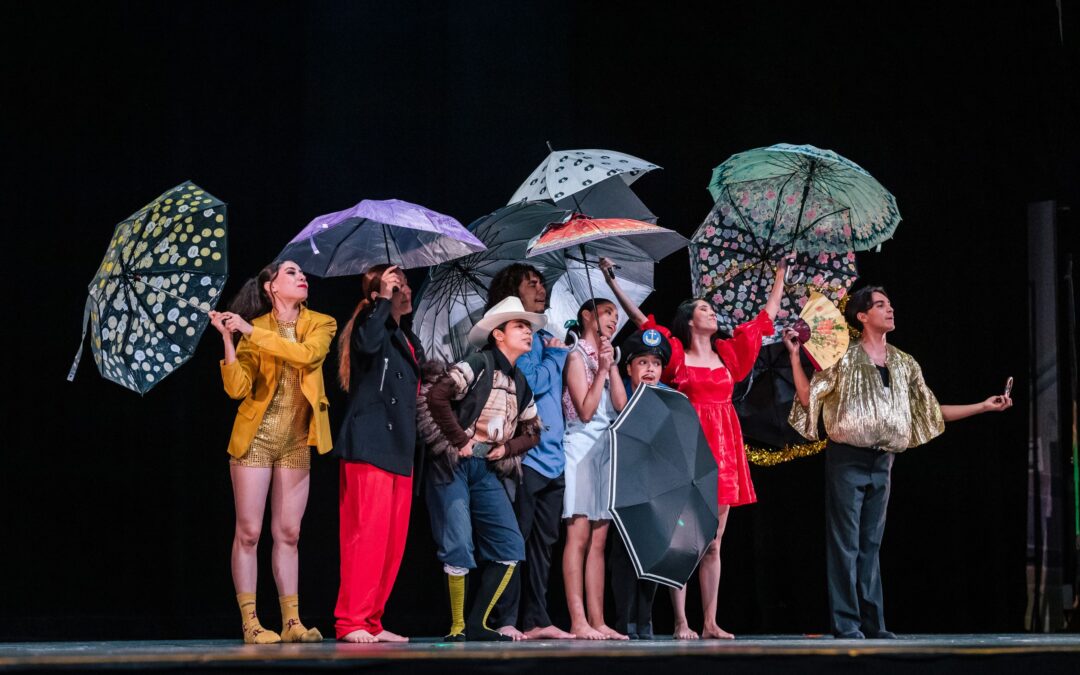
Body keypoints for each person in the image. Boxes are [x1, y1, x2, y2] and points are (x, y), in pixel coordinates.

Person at [785, 286, 1013, 639]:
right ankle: (847, 624)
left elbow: (931, 411)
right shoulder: (844, 357)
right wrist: (794, 357)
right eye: (880, 305)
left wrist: (983, 406)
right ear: (862, 316)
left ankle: (874, 624)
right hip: (847, 458)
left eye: (889, 304)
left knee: (870, 544)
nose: (890, 309)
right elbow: (806, 397)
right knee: (846, 543)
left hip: (883, 461)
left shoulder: (905, 362)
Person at [602, 257, 786, 639]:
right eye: (704, 308)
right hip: (687, 450)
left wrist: (780, 274)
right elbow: (642, 322)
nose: (712, 313)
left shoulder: (729, 355)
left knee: (714, 544)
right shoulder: (676, 356)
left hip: (725, 452)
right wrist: (613, 283)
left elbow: (764, 319)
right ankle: (681, 622)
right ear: (688, 320)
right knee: (683, 541)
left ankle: (710, 622)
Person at [209, 260, 336, 645]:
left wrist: (250, 331)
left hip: (296, 440)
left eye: (301, 273)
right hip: (256, 439)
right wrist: (229, 341)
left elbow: (307, 355)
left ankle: (292, 621)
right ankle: (250, 622)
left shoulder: (321, 323)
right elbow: (237, 388)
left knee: (289, 533)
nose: (302, 277)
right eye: (291, 273)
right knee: (249, 532)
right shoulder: (255, 328)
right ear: (271, 287)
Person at [418, 296, 544, 641]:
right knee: (458, 542)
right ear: (498, 334)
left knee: (510, 545)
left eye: (528, 327)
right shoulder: (479, 362)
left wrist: (507, 448)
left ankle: (477, 622)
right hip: (455, 463)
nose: (528, 332)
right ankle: (458, 626)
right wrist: (459, 439)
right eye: (519, 326)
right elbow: (437, 395)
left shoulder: (520, 381)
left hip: (486, 467)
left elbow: (533, 432)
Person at [485, 264, 576, 640]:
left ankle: (537, 617)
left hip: (554, 458)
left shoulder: (544, 337)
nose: (541, 289)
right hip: (528, 460)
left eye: (542, 283)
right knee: (515, 540)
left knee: (544, 544)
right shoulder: (517, 339)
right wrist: (556, 357)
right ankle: (503, 617)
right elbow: (532, 382)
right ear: (513, 292)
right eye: (532, 284)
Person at [333, 264, 422, 643]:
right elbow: (368, 345)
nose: (406, 291)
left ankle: (372, 619)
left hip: (399, 447)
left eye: (405, 285)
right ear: (377, 295)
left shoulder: (404, 337)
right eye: (396, 286)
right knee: (365, 536)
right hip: (370, 443)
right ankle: (350, 620)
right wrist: (383, 300)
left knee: (391, 543)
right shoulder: (370, 324)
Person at [561, 297, 629, 640]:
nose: (613, 320)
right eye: (606, 313)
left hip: (606, 448)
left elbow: (621, 405)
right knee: (579, 535)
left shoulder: (607, 356)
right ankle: (578, 620)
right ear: (587, 316)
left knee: (600, 540)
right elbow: (585, 412)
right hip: (581, 446)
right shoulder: (575, 356)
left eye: (616, 316)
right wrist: (600, 370)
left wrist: (610, 365)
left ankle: (598, 619)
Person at [608, 326, 674, 640]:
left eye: (656, 364)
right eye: (643, 362)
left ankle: (645, 620)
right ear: (629, 368)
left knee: (652, 554)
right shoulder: (619, 392)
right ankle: (625, 622)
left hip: (657, 488)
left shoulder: (670, 398)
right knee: (623, 555)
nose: (650, 369)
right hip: (624, 485)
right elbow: (622, 414)